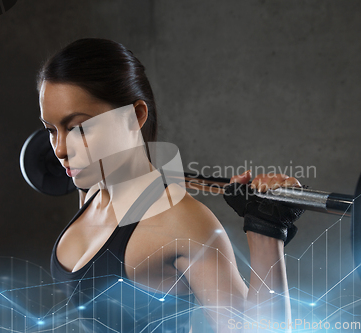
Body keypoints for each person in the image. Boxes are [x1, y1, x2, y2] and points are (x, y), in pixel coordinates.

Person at [38, 38, 303, 332]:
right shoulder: (92, 191)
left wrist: (267, 231)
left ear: (135, 115)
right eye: (51, 130)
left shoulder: (181, 221)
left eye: (78, 128)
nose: (60, 149)